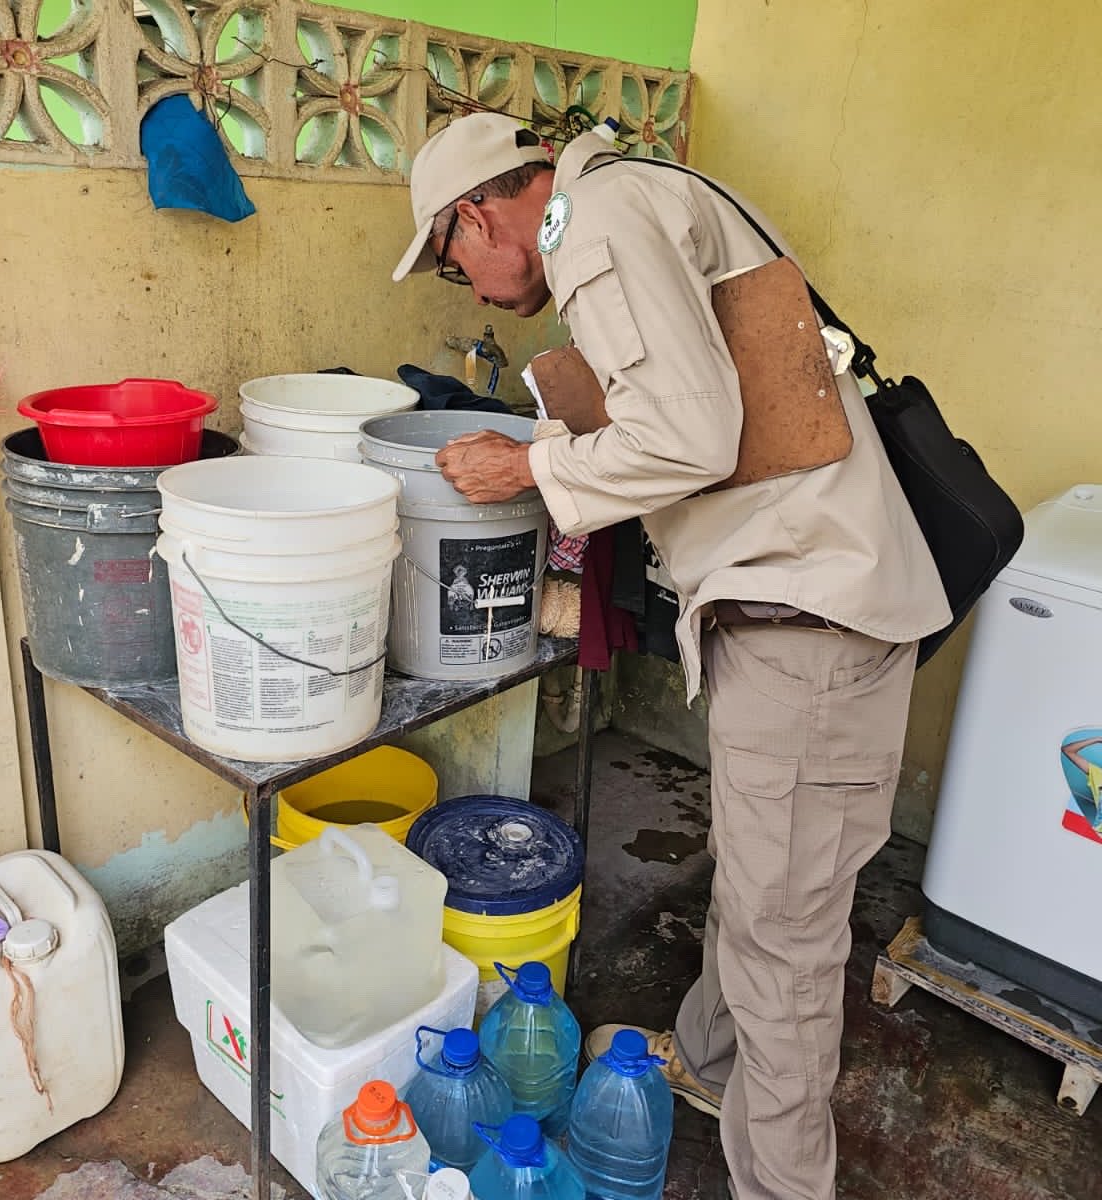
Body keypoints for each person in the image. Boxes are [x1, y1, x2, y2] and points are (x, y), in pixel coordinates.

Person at [391, 111, 951, 1200]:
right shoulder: (646, 193)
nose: (465, 284)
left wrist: (529, 472)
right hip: (810, 609)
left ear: (480, 211)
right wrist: (553, 445)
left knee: (785, 948)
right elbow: (701, 405)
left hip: (808, 623)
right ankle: (705, 1052)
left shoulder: (589, 221)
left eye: (452, 257)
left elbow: (688, 438)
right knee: (763, 891)